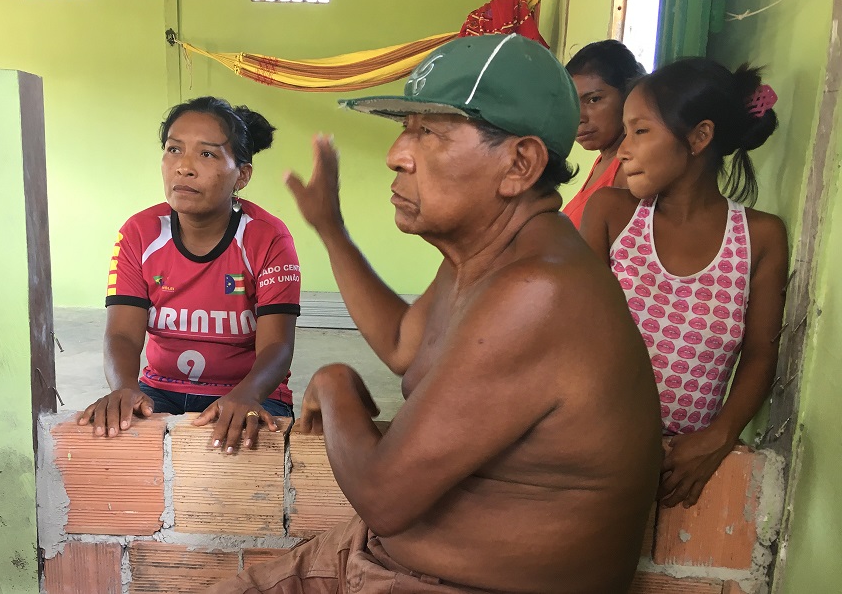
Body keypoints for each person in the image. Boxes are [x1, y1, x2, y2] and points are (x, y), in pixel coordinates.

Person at [210, 34, 661, 594]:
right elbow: (406, 342)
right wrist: (331, 228)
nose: (397, 154)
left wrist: (334, 385)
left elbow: (384, 497)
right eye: (407, 128)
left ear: (519, 163)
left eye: (430, 133)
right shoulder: (488, 253)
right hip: (388, 562)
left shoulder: (538, 291)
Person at [580, 58, 787, 509]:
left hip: (682, 468)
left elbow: (761, 354)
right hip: (593, 443)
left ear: (699, 137)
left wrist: (719, 436)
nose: (623, 151)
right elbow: (576, 335)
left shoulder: (760, 237)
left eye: (640, 131)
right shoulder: (611, 214)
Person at [78, 96, 301, 452]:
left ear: (242, 175)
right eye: (174, 149)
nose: (184, 167)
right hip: (160, 391)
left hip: (252, 394)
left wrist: (246, 395)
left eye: (207, 154)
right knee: (113, 447)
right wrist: (125, 388)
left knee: (236, 460)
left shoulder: (268, 238)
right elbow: (121, 334)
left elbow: (277, 345)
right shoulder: (139, 233)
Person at [561, 39, 645, 228]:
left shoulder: (631, 171)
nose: (579, 117)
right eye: (572, 104)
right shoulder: (604, 160)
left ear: (628, 95)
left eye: (594, 100)